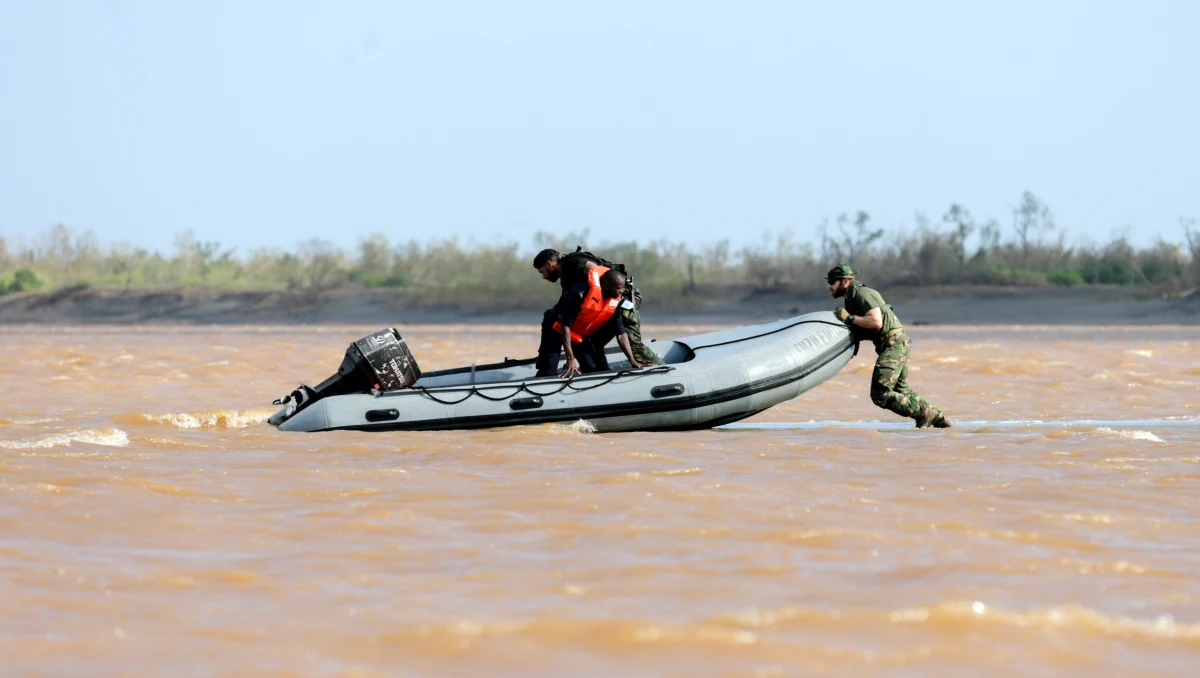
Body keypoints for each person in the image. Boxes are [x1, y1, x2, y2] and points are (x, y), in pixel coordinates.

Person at [827, 264, 952, 428]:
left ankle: (925, 413)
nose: (828, 286)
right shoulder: (851, 297)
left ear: (844, 281)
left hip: (894, 345)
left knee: (880, 394)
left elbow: (876, 322)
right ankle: (938, 419)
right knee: (902, 392)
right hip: (896, 343)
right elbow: (867, 326)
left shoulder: (861, 294)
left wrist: (849, 318)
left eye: (832, 282)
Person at [532, 247, 664, 369]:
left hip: (622, 298)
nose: (543, 276)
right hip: (603, 302)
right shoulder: (566, 280)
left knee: (633, 344)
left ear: (549, 264)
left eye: (542, 271)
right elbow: (568, 309)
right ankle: (601, 372)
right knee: (594, 343)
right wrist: (569, 357)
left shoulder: (574, 263)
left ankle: (662, 369)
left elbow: (601, 275)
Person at [536, 266, 644, 378]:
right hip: (556, 326)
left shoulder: (615, 301)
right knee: (548, 369)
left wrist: (633, 361)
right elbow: (565, 326)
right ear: (607, 286)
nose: (622, 291)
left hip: (577, 332)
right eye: (618, 288)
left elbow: (621, 333)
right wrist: (570, 359)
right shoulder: (579, 294)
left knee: (592, 367)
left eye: (623, 288)